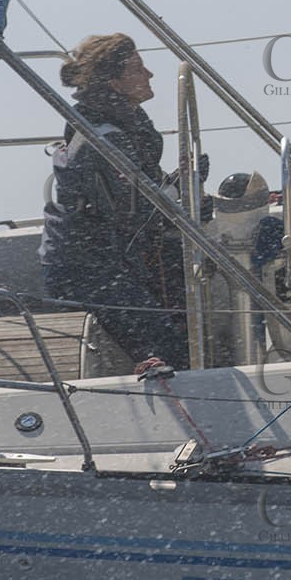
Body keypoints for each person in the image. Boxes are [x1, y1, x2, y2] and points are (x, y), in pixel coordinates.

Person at [38, 33, 188, 373]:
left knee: (186, 306)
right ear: (114, 82)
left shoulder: (120, 126)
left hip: (109, 258)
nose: (149, 74)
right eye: (137, 68)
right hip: (87, 269)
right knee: (169, 347)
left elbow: (143, 192)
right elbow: (137, 209)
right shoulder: (105, 139)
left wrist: (178, 185)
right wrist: (179, 193)